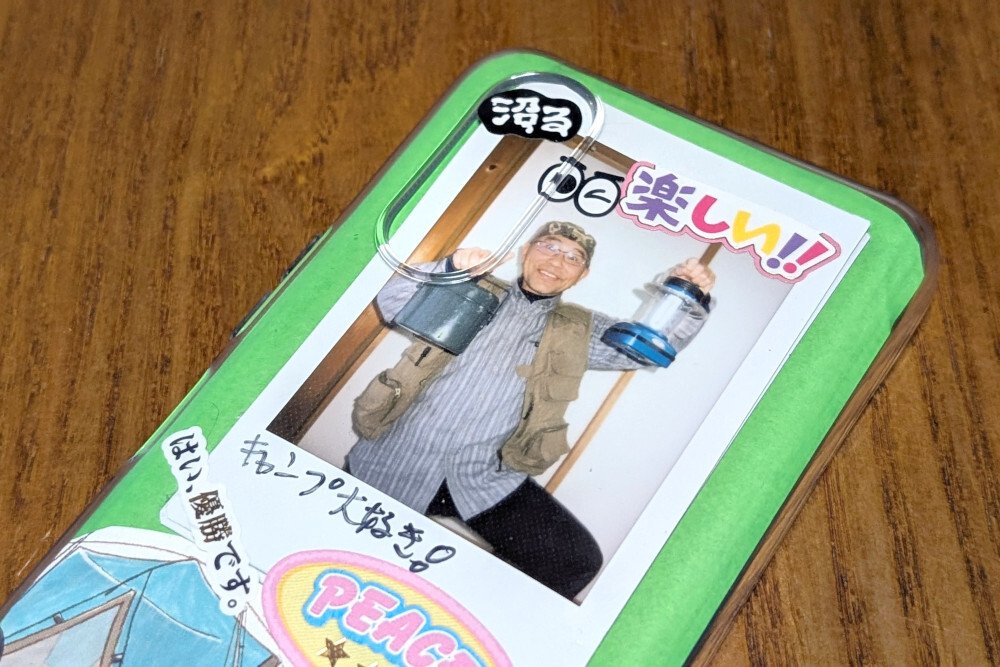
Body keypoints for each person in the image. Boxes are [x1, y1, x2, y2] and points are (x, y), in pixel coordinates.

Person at [346, 221, 716, 599]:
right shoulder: (473, 290)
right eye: (549, 246)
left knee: (575, 560)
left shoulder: (579, 330)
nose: (556, 261)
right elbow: (393, 300)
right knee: (356, 563)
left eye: (573, 257)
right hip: (394, 459)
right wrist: (450, 268)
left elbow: (649, 348)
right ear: (526, 251)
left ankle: (461, 603)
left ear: (582, 275)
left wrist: (687, 298)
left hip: (481, 476)